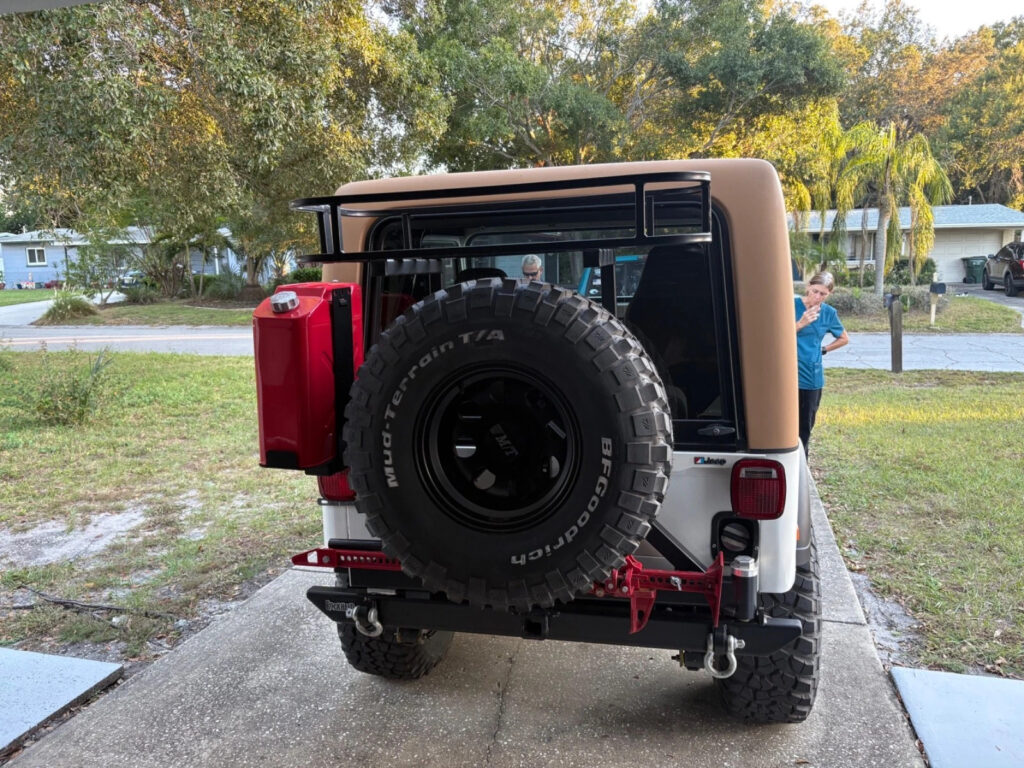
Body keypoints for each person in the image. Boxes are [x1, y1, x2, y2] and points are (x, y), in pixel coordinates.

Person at [796, 271, 848, 456]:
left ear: (829, 295)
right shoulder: (789, 305)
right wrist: (800, 324)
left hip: (811, 377)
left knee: (804, 429)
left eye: (823, 294)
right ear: (808, 286)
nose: (817, 297)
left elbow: (843, 338)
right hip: (786, 375)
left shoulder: (828, 313)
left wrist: (824, 349)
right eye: (815, 291)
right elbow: (773, 336)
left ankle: (804, 470)